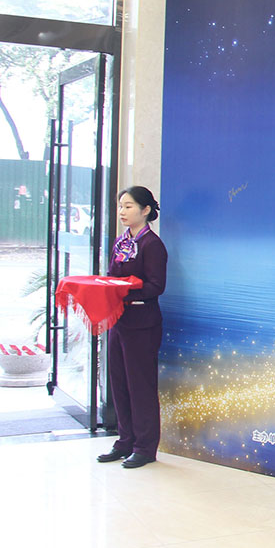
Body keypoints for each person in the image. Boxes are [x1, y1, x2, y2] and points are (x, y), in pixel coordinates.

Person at [97, 186, 168, 469]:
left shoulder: (152, 245)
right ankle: (125, 441)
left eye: (128, 206)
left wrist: (125, 291)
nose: (122, 212)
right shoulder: (121, 242)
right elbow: (112, 276)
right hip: (118, 321)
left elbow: (156, 286)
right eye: (120, 206)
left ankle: (145, 447)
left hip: (142, 324)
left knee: (141, 386)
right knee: (120, 383)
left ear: (145, 210)